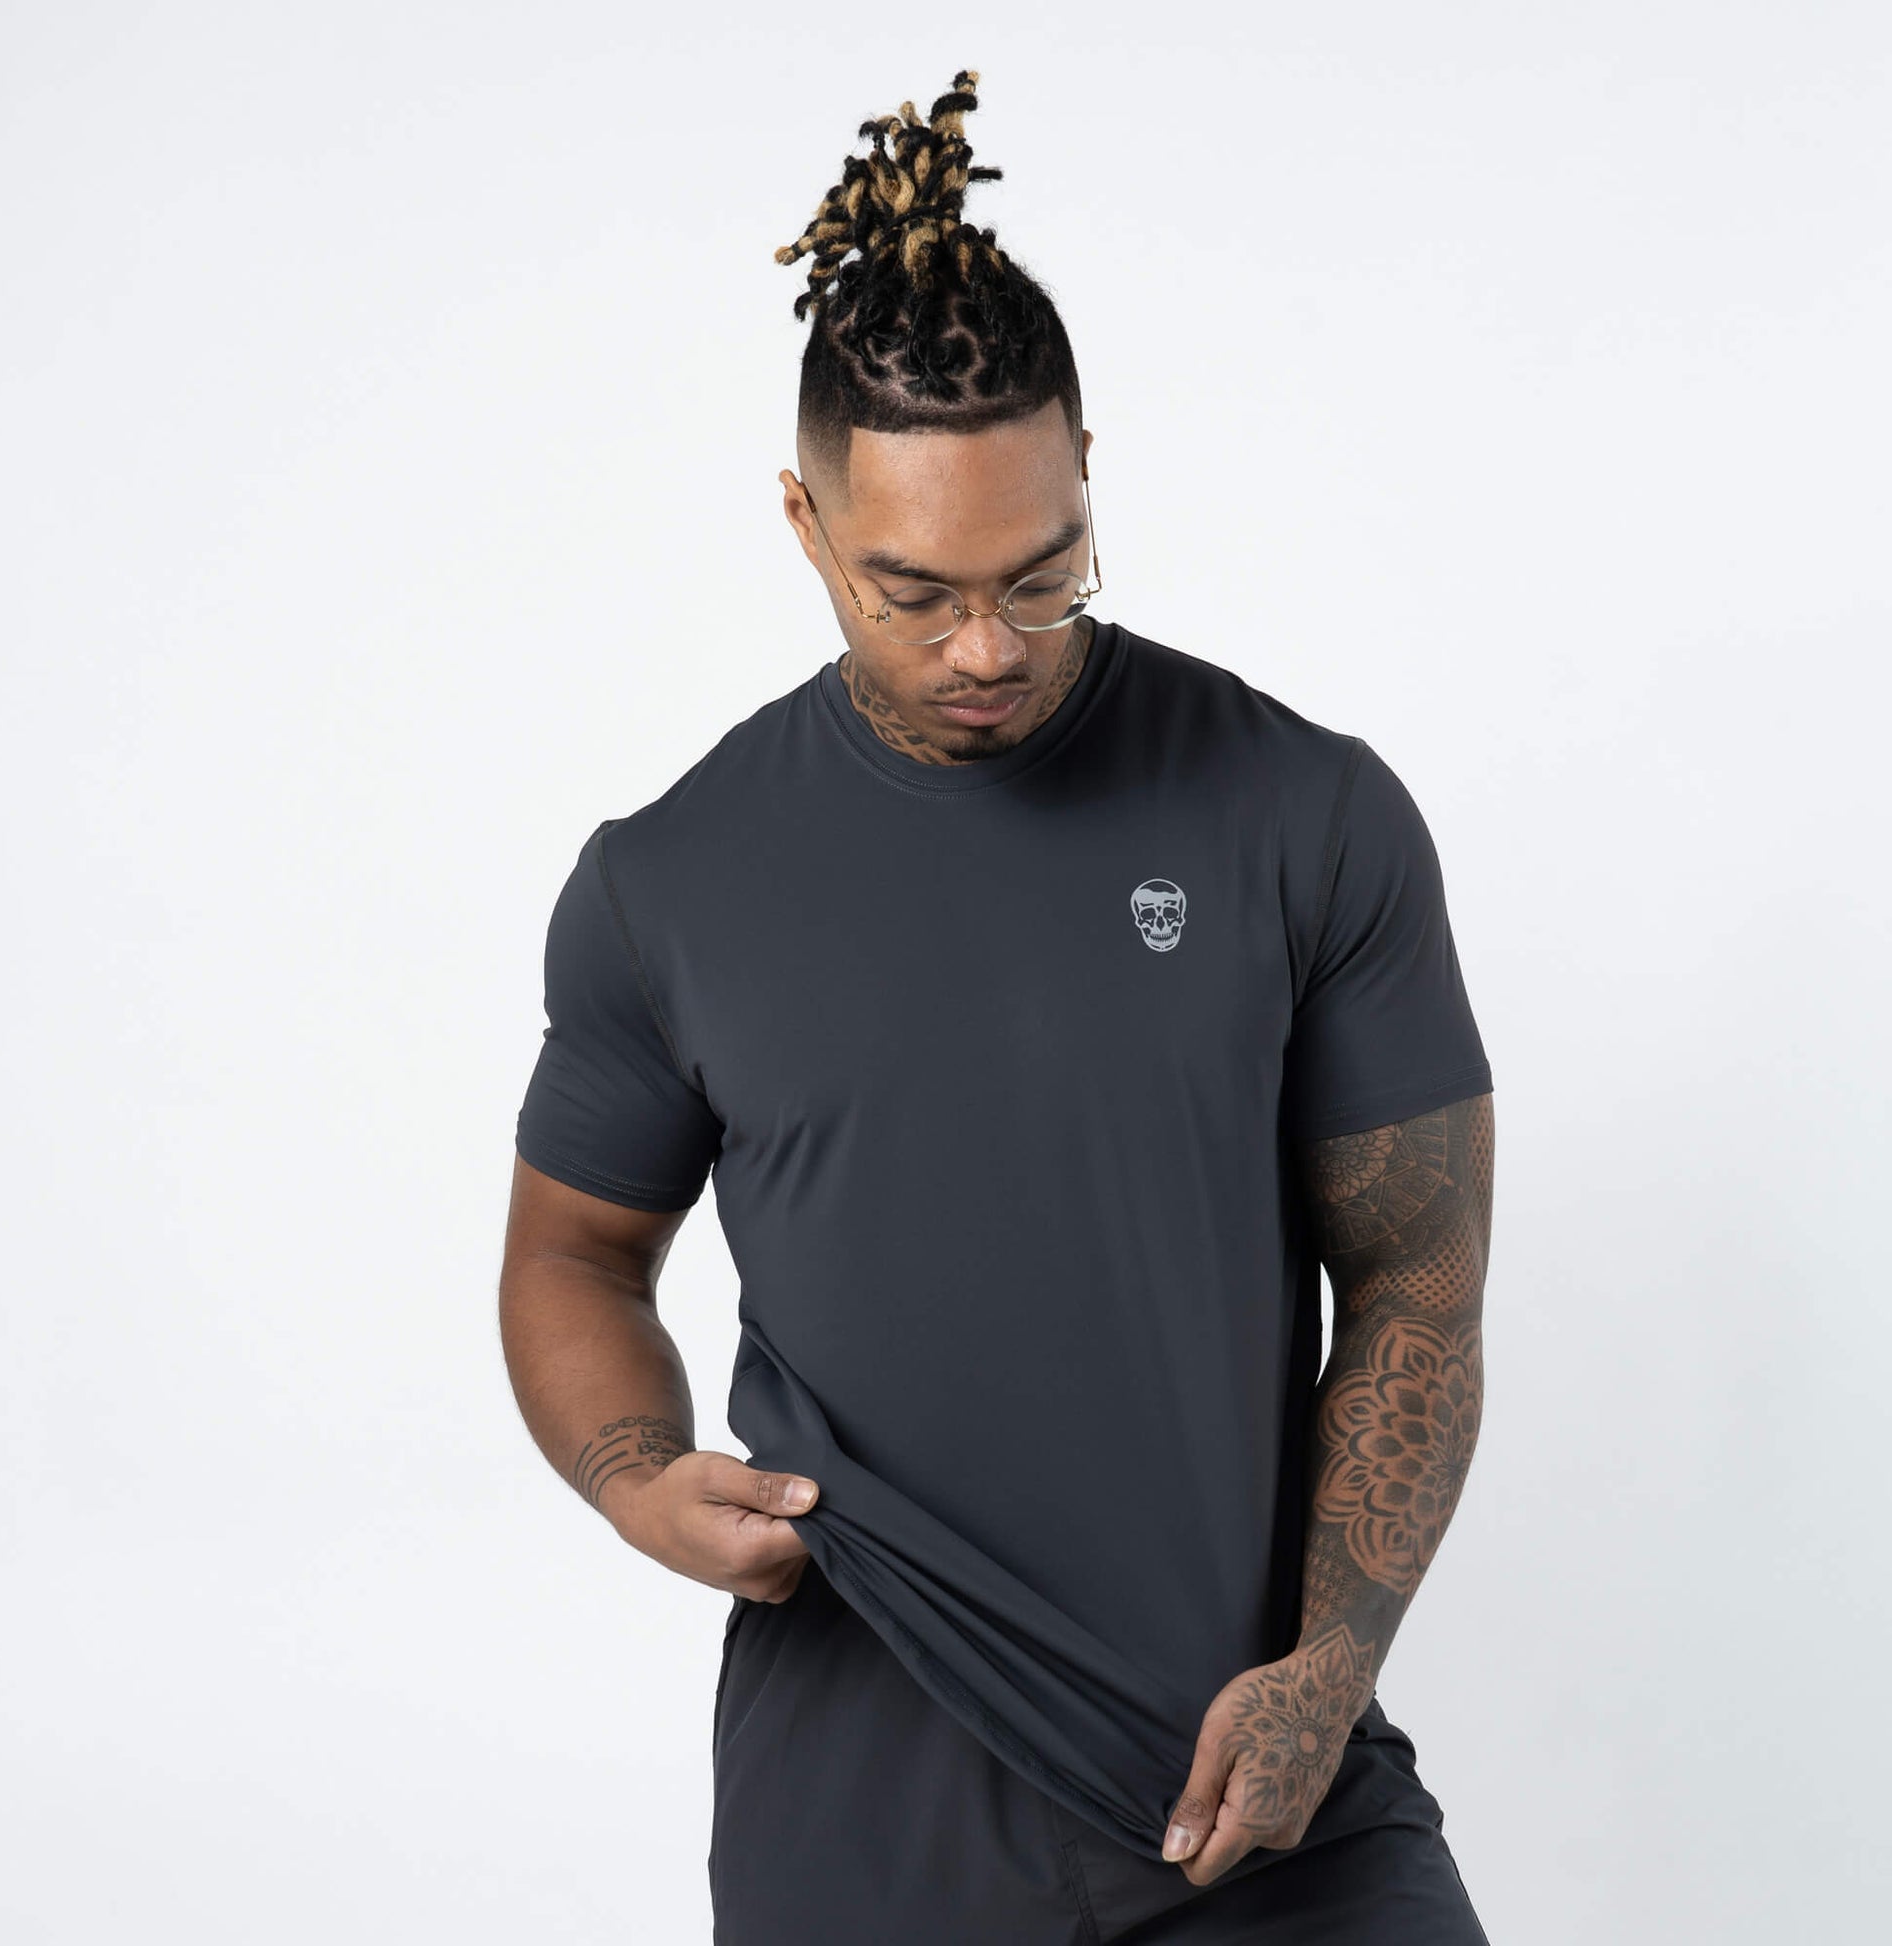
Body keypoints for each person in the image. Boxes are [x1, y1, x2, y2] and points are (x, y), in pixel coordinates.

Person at [500, 67, 1497, 1945]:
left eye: (1042, 579)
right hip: (858, 1816)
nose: (984, 647)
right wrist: (636, 1479)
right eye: (913, 592)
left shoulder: (1303, 812)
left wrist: (1328, 1668)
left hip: (1261, 1789)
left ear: (1087, 470)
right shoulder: (668, 882)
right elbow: (572, 1254)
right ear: (804, 522)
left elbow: (1414, 1285)